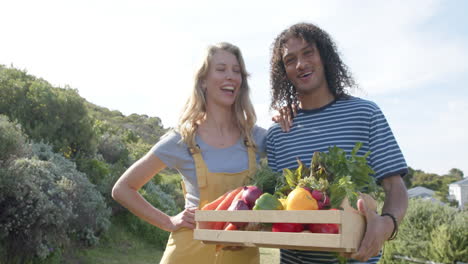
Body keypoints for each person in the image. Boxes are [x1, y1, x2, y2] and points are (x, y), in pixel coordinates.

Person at [112, 42, 291, 264]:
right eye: (221, 69)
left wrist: (287, 117)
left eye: (237, 71)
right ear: (204, 80)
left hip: (243, 257)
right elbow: (123, 189)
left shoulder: (257, 137)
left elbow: (295, 152)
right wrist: (168, 222)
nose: (231, 77)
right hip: (187, 254)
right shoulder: (181, 140)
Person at [266, 22, 409, 263]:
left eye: (308, 52)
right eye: (290, 60)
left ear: (325, 56)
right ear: (284, 72)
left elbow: (395, 187)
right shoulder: (278, 133)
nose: (301, 64)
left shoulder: (365, 114)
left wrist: (387, 224)